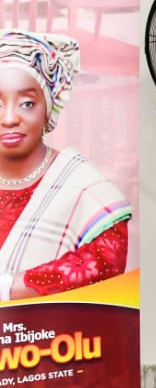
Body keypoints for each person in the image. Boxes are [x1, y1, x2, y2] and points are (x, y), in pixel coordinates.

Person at [0, 31, 130, 303]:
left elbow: (106, 264)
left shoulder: (80, 185)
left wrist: (10, 287)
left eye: (26, 103)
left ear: (48, 109)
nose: (10, 118)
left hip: (52, 340)